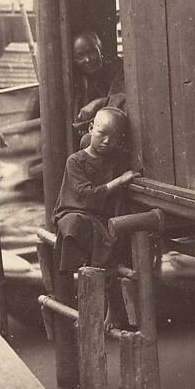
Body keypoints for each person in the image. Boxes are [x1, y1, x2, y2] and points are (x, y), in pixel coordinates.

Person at [53, 106, 139, 278]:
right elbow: (86, 195)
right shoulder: (76, 161)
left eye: (113, 137)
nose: (107, 141)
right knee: (73, 223)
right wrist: (120, 180)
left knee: (120, 224)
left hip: (104, 214)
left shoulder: (119, 157)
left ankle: (107, 265)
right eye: (102, 133)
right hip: (78, 209)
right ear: (91, 128)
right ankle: (88, 265)